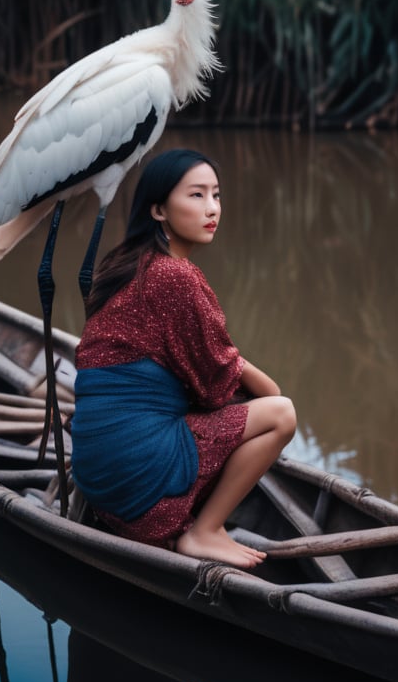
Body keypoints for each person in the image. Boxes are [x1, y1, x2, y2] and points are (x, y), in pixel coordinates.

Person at [70, 148, 296, 569]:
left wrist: (225, 361)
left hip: (98, 479)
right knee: (280, 413)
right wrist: (244, 370)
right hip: (139, 492)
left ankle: (199, 520)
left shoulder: (124, 265)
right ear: (158, 209)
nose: (212, 209)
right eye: (196, 196)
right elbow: (219, 387)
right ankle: (204, 531)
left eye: (216, 195)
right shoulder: (176, 276)